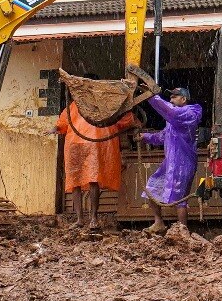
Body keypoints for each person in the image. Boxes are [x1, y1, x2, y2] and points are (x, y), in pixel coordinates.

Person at [54, 95, 137, 231]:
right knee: (77, 181)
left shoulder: (102, 103)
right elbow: (63, 122)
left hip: (92, 144)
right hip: (76, 145)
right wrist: (55, 128)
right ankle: (81, 219)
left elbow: (121, 118)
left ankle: (92, 218)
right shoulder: (76, 105)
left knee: (92, 179)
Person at [139, 87, 203, 233]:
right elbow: (163, 136)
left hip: (183, 163)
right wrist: (146, 137)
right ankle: (159, 222)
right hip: (171, 163)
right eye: (171, 97)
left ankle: (183, 231)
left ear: (183, 99)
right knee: (152, 190)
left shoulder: (188, 114)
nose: (171, 99)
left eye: (174, 97)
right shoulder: (175, 119)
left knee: (179, 199)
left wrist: (152, 97)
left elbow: (170, 111)